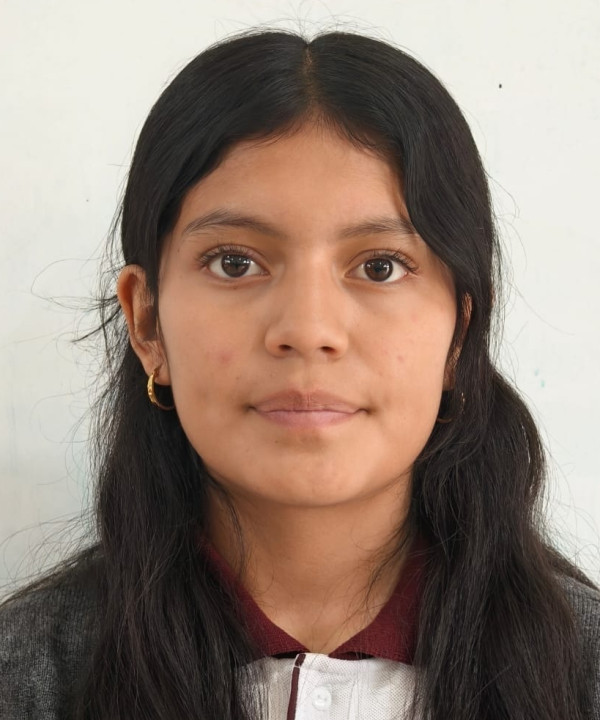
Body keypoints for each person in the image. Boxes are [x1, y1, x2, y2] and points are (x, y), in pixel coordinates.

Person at [1, 27, 599, 720]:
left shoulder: (581, 673)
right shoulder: (28, 675)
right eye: (235, 263)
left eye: (380, 267)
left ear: (460, 333)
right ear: (147, 322)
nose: (309, 329)